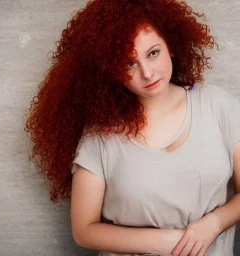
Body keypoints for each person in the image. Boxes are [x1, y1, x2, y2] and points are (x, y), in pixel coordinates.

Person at [24, 0, 240, 255]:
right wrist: (167, 242)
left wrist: (214, 223)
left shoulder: (217, 105)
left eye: (152, 53)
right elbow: (84, 230)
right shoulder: (100, 136)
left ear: (170, 45)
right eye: (129, 64)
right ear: (111, 71)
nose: (147, 73)